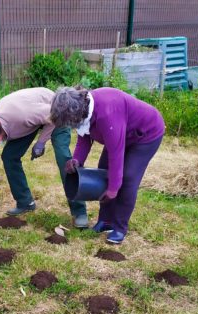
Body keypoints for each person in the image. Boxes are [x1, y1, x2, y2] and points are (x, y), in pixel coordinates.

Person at [50, 86, 165, 244]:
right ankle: (106, 221)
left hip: (145, 134)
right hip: (121, 133)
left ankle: (119, 227)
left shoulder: (107, 114)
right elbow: (84, 137)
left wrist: (113, 189)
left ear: (76, 113)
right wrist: (77, 160)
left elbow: (116, 153)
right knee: (104, 170)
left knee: (128, 178)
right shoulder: (83, 111)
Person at [0, 88, 88, 228]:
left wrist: (41, 142)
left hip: (55, 111)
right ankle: (25, 202)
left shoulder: (21, 115)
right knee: (9, 156)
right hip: (29, 120)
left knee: (63, 158)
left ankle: (79, 211)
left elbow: (52, 116)